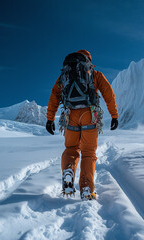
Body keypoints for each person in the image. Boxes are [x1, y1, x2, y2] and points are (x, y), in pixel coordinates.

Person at [46, 49, 119, 200]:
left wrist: (50, 119)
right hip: (90, 115)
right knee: (88, 153)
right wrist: (114, 115)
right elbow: (108, 94)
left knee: (71, 149)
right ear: (89, 61)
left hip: (70, 116)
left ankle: (69, 170)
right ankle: (86, 188)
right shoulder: (95, 74)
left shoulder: (64, 76)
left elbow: (54, 97)